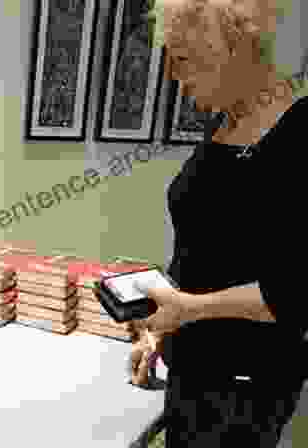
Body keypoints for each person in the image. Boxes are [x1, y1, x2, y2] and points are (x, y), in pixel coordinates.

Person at [127, 0, 307, 446]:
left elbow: (295, 290)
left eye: (185, 60)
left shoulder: (300, 134)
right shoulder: (224, 125)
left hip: (246, 386)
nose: (174, 77)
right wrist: (162, 329)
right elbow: (200, 249)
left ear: (235, 48)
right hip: (192, 371)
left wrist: (187, 309)